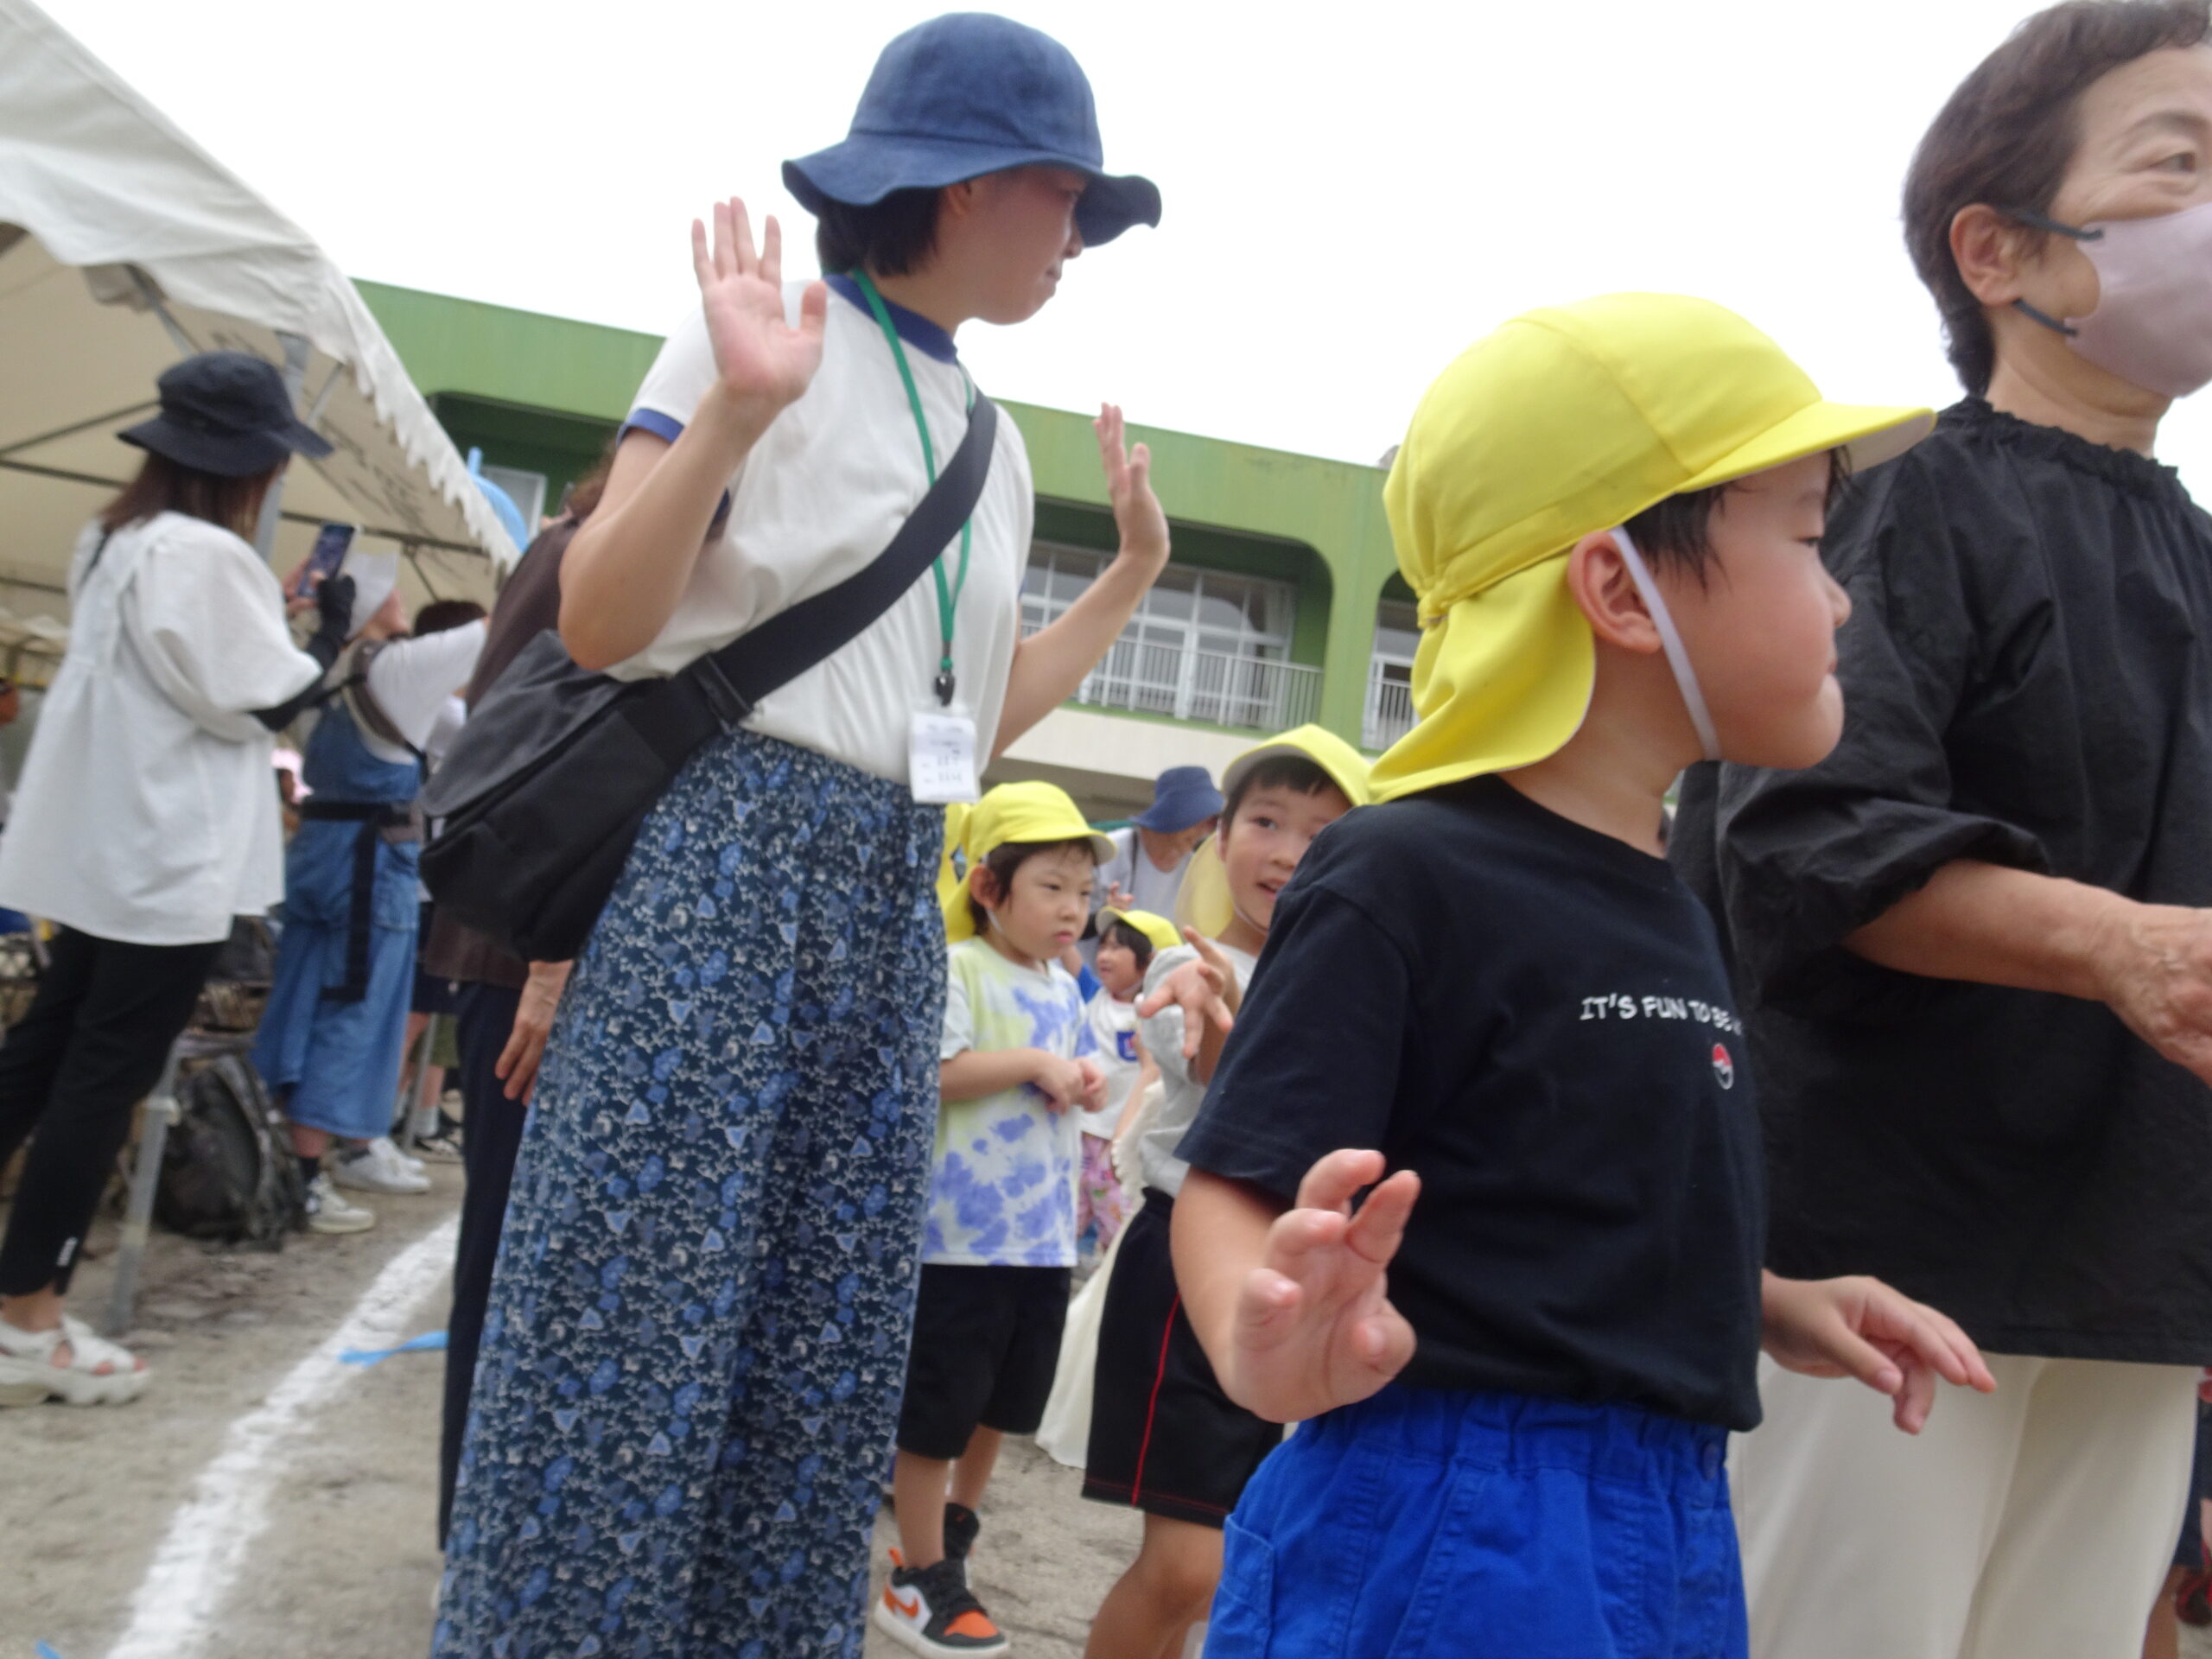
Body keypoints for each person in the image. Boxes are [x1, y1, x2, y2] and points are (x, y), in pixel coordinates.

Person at [433, 16, 1166, 1654]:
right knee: (634, 1316)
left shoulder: (995, 441)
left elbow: (968, 719)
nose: (1078, 239)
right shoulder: (761, 343)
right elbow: (603, 619)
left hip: (887, 889)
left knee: (818, 1342)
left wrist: (1127, 578)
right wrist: (735, 413)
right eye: (1067, 198)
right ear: (969, 186)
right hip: (723, 858)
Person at [1165, 296, 1999, 1659]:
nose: (1842, 594)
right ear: (1616, 591)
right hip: (1452, 1503)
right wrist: (1257, 1343)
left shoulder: (1672, 893)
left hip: (1670, 1510)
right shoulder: (1404, 869)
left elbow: (1564, 1212)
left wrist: (1773, 1305)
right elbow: (1237, 1176)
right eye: (1808, 538)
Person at [1668, 8, 2212, 1655]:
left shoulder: (2197, 554)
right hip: (1884, 1261)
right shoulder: (1907, 496)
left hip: (2143, 1269)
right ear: (1998, 249)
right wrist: (2115, 943)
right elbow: (1807, 839)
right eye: (2181, 162)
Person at [0, 350, 339, 1405]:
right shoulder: (208, 553)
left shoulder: (113, 538)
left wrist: (276, 619)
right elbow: (266, 700)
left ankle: (23, 1304)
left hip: (99, 839)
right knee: (101, 1083)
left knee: (43, 1052)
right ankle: (27, 1317)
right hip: (165, 851)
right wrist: (325, 634)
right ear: (248, 463)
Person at [1081, 726, 1367, 1659]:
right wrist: (1226, 1011)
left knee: (1235, 1561)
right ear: (1220, 837)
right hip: (1186, 1270)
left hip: (1297, 1285)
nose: (1286, 851)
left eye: (1322, 834)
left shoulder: (1358, 983)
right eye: (1266, 822)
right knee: (1188, 1567)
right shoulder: (1190, 964)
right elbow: (1211, 1061)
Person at [418, 465, 613, 1548]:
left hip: (546, 952)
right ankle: (473, 1537)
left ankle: (499, 1530)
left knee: (531, 1262)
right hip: (532, 954)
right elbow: (544, 744)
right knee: (506, 1260)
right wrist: (548, 952)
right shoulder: (589, 547)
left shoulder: (581, 541)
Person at [879, 782, 1110, 1655]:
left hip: (1041, 1242)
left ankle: (952, 1539)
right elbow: (936, 1074)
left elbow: (1073, 1073)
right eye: (1052, 887)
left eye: (1083, 892)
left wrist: (1083, 1078)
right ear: (988, 887)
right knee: (936, 1415)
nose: (1073, 910)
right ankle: (917, 1578)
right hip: (961, 1243)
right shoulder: (959, 967)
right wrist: (1033, 1064)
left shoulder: (1067, 986)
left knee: (998, 1410)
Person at [252, 588, 486, 1232]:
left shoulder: (315, 664)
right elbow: (494, 627)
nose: (399, 592)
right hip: (369, 864)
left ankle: (284, 1155)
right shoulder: (398, 668)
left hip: (316, 851)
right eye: (384, 590)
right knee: (351, 1015)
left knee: (300, 1003)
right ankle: (307, 1176)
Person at [1077, 906, 1174, 1262]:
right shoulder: (1094, 994)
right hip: (1080, 1134)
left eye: (1118, 947)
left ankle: (1105, 1284)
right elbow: (1065, 948)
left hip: (1117, 1144)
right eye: (1103, 946)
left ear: (1151, 963)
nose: (1104, 955)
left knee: (1117, 1235)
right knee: (1063, 1223)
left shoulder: (1153, 1014)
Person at [1094, 765, 1221, 927]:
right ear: (1175, 815)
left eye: (1213, 823)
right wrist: (1105, 914)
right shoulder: (1111, 851)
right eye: (1199, 820)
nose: (1206, 832)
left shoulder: (1195, 869)